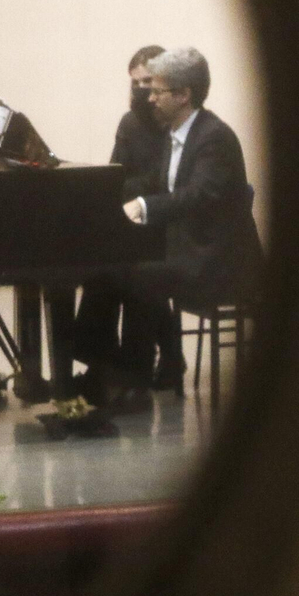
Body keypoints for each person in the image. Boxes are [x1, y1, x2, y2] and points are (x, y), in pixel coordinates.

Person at [80, 47, 261, 403]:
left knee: (138, 276)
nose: (149, 98)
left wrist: (145, 206)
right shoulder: (176, 133)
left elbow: (198, 195)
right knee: (104, 270)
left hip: (217, 260)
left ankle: (134, 381)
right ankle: (103, 368)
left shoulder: (214, 137)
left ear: (183, 95)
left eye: (157, 91)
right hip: (187, 248)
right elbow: (160, 186)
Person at [74, 47, 188, 393]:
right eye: (135, 83)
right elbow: (116, 171)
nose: (141, 91)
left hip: (166, 220)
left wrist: (133, 190)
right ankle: (104, 360)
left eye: (147, 83)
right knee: (102, 262)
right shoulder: (130, 122)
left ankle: (142, 361)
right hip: (138, 214)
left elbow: (168, 181)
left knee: (132, 267)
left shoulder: (175, 123)